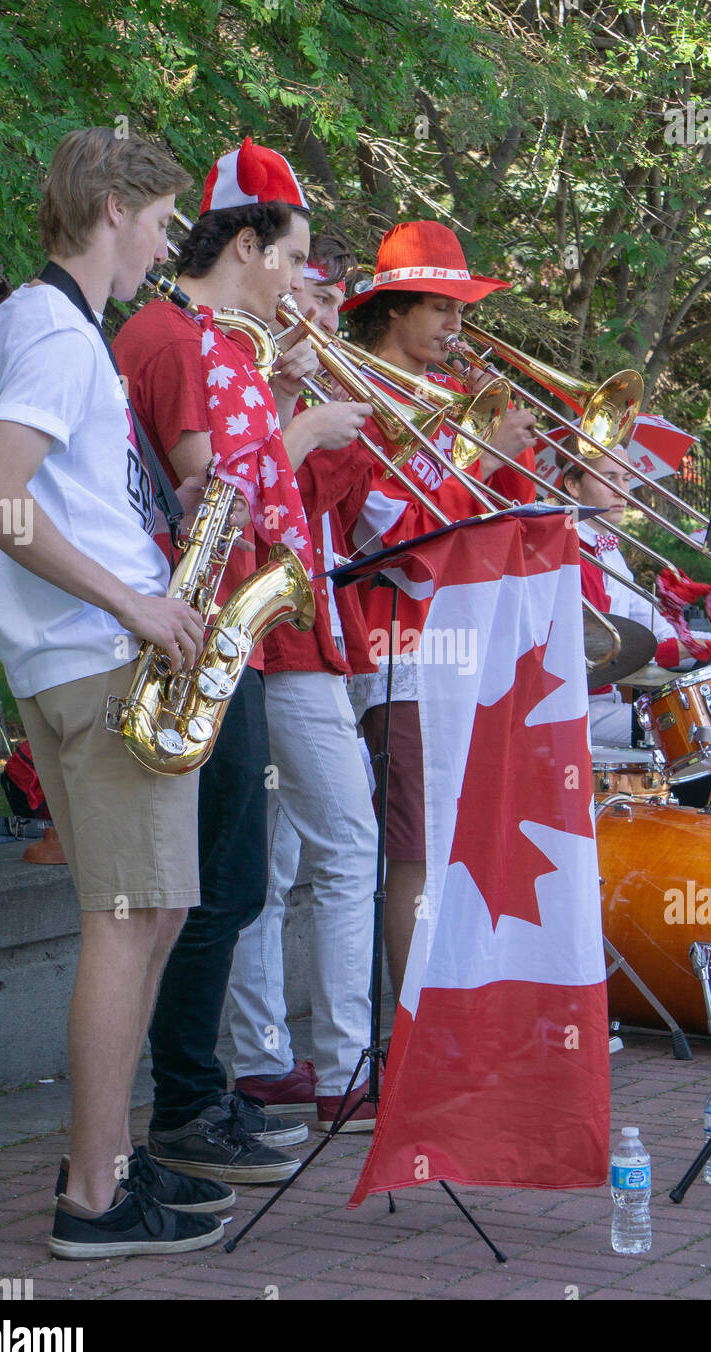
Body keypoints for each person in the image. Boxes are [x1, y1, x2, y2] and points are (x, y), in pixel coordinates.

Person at [0, 127, 231, 1258]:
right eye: (162, 215)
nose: (169, 240)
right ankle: (92, 1195)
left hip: (84, 662)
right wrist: (140, 609)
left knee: (153, 912)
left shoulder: (46, 327)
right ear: (114, 204)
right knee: (129, 923)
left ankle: (108, 1167)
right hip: (102, 661)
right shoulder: (56, 333)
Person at [113, 138, 345, 1183]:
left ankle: (203, 1093)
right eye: (290, 258)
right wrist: (301, 432)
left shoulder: (225, 341)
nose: (298, 281)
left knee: (235, 878)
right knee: (212, 881)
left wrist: (282, 396)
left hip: (232, 627)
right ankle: (186, 1105)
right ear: (246, 244)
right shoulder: (169, 335)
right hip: (197, 628)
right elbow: (210, 489)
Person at [339, 221, 538, 1000]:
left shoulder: (453, 397)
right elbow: (383, 534)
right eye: (443, 309)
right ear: (395, 310)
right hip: (399, 654)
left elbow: (496, 526)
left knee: (460, 842)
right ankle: (413, 1024)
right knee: (415, 852)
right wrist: (481, 459)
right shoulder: (357, 394)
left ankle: (455, 1003)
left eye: (461, 311)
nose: (458, 327)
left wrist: (511, 457)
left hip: (466, 646)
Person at [228, 235, 383, 1131]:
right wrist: (300, 417)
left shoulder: (286, 381)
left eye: (330, 306)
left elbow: (357, 518)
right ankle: (344, 1069)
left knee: (279, 863)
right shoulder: (240, 367)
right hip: (281, 639)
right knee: (348, 848)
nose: (325, 320)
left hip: (306, 635)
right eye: (313, 297)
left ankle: (263, 1061)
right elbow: (245, 495)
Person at [561, 445, 689, 746]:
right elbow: (598, 651)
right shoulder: (561, 551)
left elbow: (660, 633)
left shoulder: (612, 553)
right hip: (570, 709)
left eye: (627, 479)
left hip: (608, 701)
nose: (623, 492)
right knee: (688, 728)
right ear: (574, 485)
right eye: (609, 478)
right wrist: (705, 647)